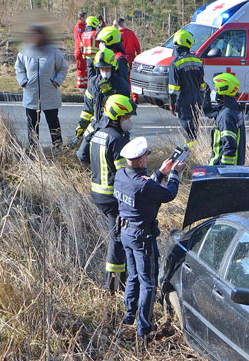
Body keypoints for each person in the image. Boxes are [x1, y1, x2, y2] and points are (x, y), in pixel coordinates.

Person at [114, 137, 183, 339]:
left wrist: (161, 172)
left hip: (126, 232)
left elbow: (144, 186)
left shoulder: (121, 175)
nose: (147, 159)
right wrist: (174, 174)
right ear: (140, 161)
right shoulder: (143, 186)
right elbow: (169, 194)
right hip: (142, 237)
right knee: (149, 282)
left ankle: (129, 316)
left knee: (134, 275)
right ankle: (143, 329)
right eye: (146, 157)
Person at [89, 94, 135, 291]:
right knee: (117, 239)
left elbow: (83, 156)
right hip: (112, 198)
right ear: (117, 117)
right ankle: (113, 287)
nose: (129, 121)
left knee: (117, 235)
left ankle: (120, 279)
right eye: (126, 117)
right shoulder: (117, 140)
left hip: (97, 193)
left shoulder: (98, 133)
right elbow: (124, 175)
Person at [15, 24, 68, 149]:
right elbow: (19, 68)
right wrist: (23, 81)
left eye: (37, 35)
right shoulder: (24, 52)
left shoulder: (53, 51)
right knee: (32, 125)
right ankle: (34, 151)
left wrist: (56, 81)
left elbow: (63, 68)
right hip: (31, 95)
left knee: (53, 123)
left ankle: (58, 148)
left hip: (49, 94)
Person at [75, 48, 132, 139]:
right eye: (102, 69)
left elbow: (126, 112)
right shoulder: (93, 83)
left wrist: (108, 94)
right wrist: (82, 124)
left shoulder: (122, 86)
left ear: (113, 68)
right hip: (96, 124)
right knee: (83, 150)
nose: (104, 72)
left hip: (114, 127)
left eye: (107, 69)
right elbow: (88, 109)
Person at [168, 29, 205, 145]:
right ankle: (196, 147)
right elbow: (202, 85)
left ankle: (189, 151)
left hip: (184, 100)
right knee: (195, 128)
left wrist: (172, 104)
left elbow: (173, 88)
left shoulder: (176, 62)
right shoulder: (198, 61)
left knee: (186, 129)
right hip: (197, 99)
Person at [206, 72, 245, 165]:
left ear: (223, 90)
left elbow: (229, 145)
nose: (213, 91)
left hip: (223, 170)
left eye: (215, 88)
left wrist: (224, 169)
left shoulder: (226, 115)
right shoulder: (232, 109)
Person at [81, 15, 101, 80]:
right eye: (98, 25)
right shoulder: (96, 33)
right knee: (98, 77)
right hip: (96, 58)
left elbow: (82, 48)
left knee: (90, 78)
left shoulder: (83, 34)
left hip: (88, 59)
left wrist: (84, 57)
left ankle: (90, 89)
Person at [73, 12, 88, 91]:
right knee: (81, 69)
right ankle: (81, 86)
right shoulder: (78, 27)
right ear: (82, 18)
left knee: (85, 69)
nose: (86, 18)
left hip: (84, 50)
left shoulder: (84, 26)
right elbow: (79, 40)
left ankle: (85, 84)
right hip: (80, 51)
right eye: (85, 17)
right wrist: (82, 49)